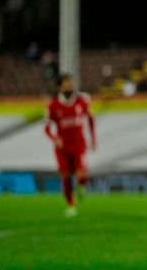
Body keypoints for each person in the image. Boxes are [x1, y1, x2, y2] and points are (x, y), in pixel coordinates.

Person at [44, 74, 96, 218]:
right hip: (62, 148)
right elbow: (47, 128)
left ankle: (81, 186)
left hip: (79, 144)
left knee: (82, 173)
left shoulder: (82, 101)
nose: (70, 86)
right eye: (67, 84)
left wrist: (93, 139)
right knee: (66, 177)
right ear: (60, 86)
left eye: (71, 83)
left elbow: (90, 119)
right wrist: (54, 138)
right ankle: (71, 205)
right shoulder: (53, 105)